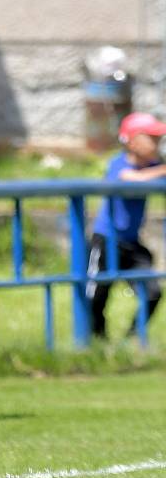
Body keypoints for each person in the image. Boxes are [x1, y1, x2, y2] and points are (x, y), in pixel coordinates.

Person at [86, 112, 166, 338]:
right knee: (95, 296)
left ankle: (131, 339)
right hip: (105, 242)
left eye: (158, 138)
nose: (156, 143)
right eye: (150, 137)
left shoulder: (154, 166)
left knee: (152, 292)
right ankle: (95, 339)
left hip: (131, 244)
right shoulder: (119, 163)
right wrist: (159, 171)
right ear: (130, 141)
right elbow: (125, 178)